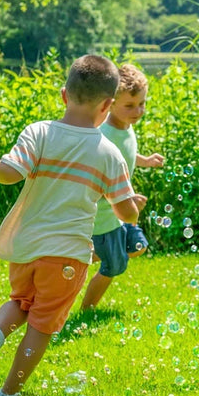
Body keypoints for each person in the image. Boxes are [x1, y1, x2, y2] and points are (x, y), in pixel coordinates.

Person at [0, 54, 140, 396]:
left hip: (26, 247)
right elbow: (127, 213)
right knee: (42, 324)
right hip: (67, 256)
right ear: (108, 106)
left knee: (22, 302)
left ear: (64, 95)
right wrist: (135, 205)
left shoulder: (38, 131)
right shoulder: (108, 152)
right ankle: (9, 394)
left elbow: (11, 173)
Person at [81, 63, 166, 310]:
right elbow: (95, 177)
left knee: (138, 246)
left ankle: (86, 255)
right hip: (106, 216)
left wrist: (145, 161)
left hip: (122, 211)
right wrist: (123, 199)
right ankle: (88, 309)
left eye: (142, 103)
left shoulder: (126, 128)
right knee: (115, 265)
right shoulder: (103, 134)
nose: (138, 111)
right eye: (129, 105)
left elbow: (124, 157)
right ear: (110, 103)